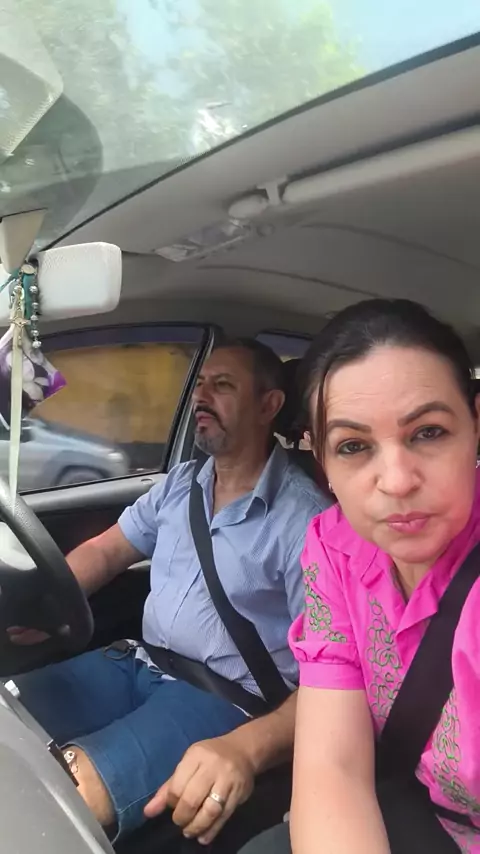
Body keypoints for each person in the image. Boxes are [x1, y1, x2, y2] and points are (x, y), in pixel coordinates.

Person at [10, 338, 329, 843]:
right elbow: (107, 551)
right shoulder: (182, 483)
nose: (202, 396)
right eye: (200, 383)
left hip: (222, 699)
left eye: (222, 385)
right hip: (134, 661)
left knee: (61, 794)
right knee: (10, 718)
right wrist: (47, 605)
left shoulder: (307, 523)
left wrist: (248, 748)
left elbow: (328, 682)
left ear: (269, 405)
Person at [240, 299, 480, 854]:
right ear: (322, 462)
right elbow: (334, 765)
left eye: (428, 432)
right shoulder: (335, 547)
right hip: (423, 812)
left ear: (475, 426)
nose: (395, 480)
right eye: (353, 446)